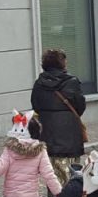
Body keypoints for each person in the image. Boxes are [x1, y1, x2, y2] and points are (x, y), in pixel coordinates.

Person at [31, 49, 87, 187]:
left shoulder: (39, 83)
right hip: (69, 131)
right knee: (71, 168)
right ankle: (71, 196)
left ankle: (54, 196)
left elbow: (35, 104)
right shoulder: (72, 82)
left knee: (51, 168)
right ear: (62, 63)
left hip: (47, 131)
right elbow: (80, 105)